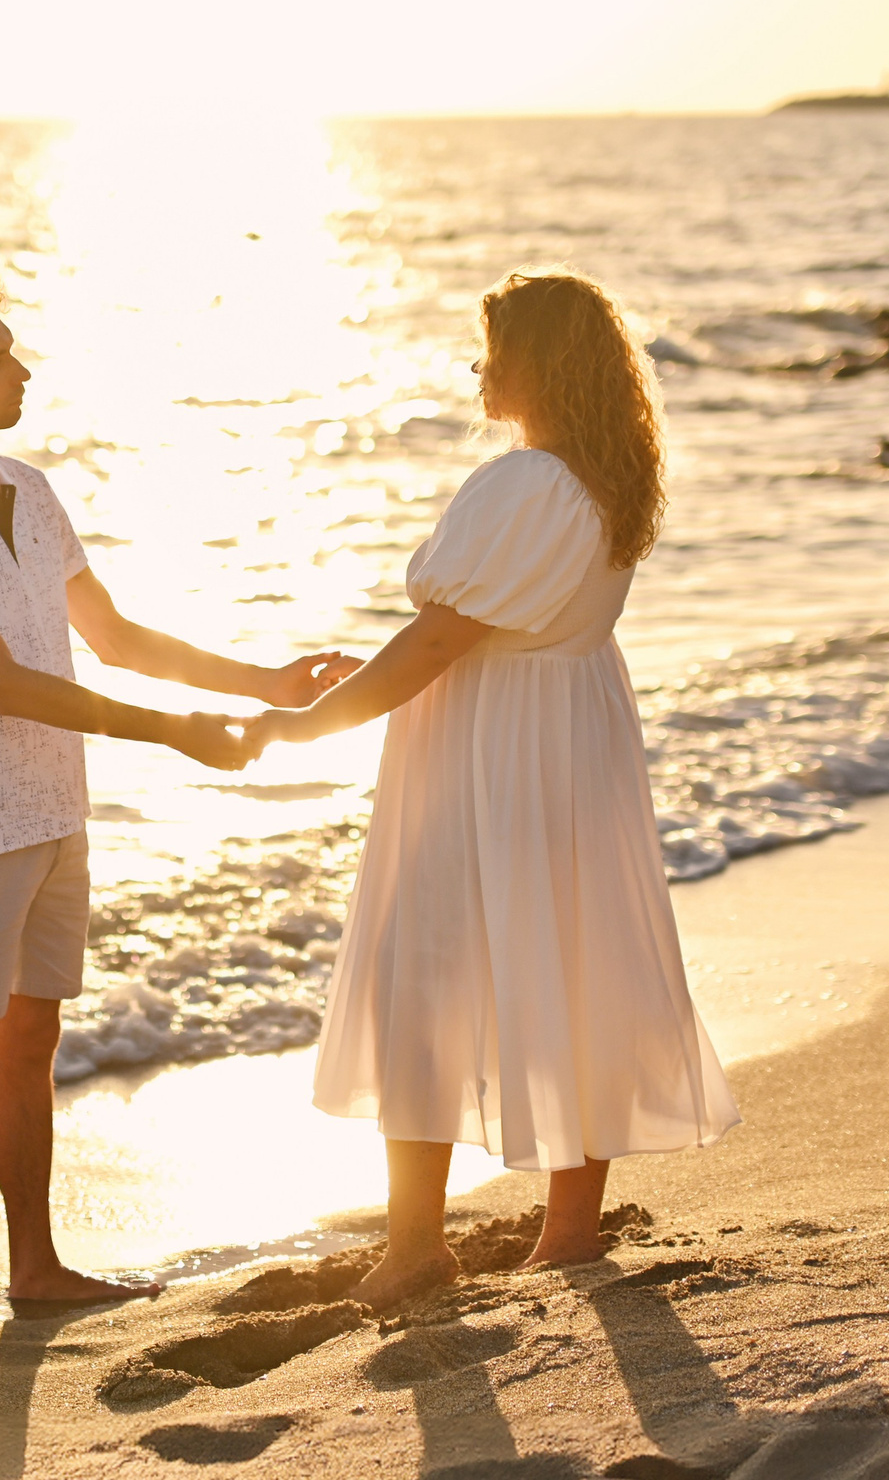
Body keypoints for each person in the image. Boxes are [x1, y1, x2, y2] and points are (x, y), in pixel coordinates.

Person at [0, 271, 359, 1368]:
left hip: (53, 806)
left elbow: (114, 636)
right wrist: (176, 733)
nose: (22, 368)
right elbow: (4, 682)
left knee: (31, 1041)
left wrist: (262, 681)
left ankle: (33, 1266)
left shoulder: (29, 488)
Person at [246, 269, 739, 1311]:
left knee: (425, 967)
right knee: (573, 959)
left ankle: (417, 1241)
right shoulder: (606, 482)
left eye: (493, 348)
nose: (478, 367)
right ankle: (567, 1231)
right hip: (571, 733)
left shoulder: (522, 484)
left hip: (489, 745)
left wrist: (309, 721)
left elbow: (437, 637)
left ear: (539, 366)